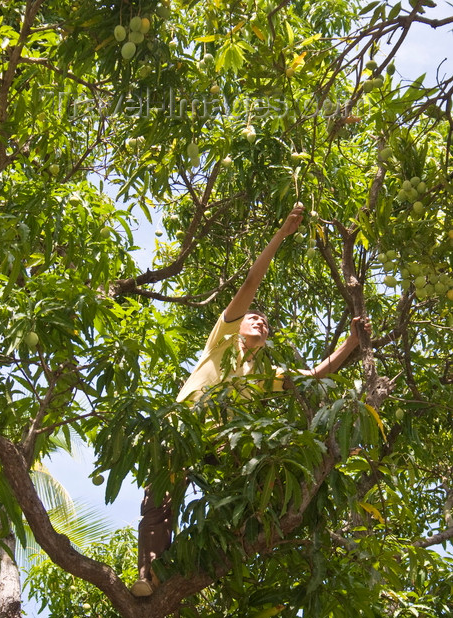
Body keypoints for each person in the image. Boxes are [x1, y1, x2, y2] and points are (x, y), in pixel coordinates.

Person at [131, 205, 371, 596]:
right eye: (254, 318)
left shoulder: (260, 376)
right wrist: (282, 232)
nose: (260, 322)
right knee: (159, 499)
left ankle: (214, 553)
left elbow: (310, 378)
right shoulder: (222, 339)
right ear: (239, 325)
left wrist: (351, 343)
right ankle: (149, 574)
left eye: (266, 323)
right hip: (183, 427)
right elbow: (249, 284)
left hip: (219, 444)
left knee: (255, 481)